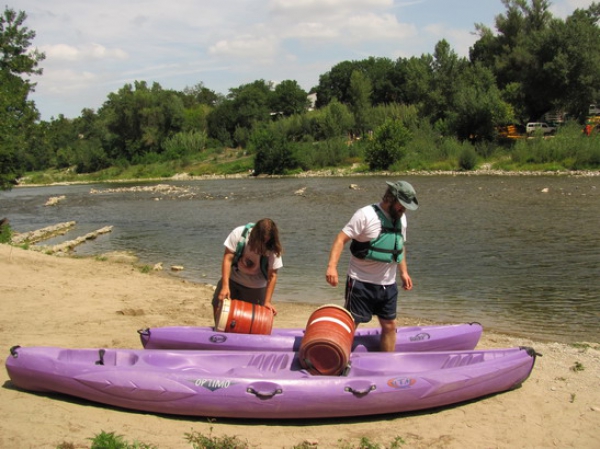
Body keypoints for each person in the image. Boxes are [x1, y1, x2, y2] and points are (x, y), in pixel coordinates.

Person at [325, 180, 418, 352]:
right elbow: (340, 239)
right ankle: (335, 359)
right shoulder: (366, 215)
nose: (403, 210)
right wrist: (332, 267)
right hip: (361, 282)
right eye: (401, 205)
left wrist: (404, 272)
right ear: (390, 198)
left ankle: (387, 363)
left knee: (389, 325)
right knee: (351, 323)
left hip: (388, 285)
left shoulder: (401, 219)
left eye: (406, 207)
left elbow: (399, 246)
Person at [212, 218, 283, 322]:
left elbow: (272, 276)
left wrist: (267, 301)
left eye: (266, 241)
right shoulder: (239, 234)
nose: (262, 244)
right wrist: (225, 286)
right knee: (218, 305)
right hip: (233, 279)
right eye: (260, 241)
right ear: (253, 233)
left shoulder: (273, 247)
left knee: (250, 319)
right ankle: (220, 334)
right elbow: (228, 258)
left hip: (256, 287)